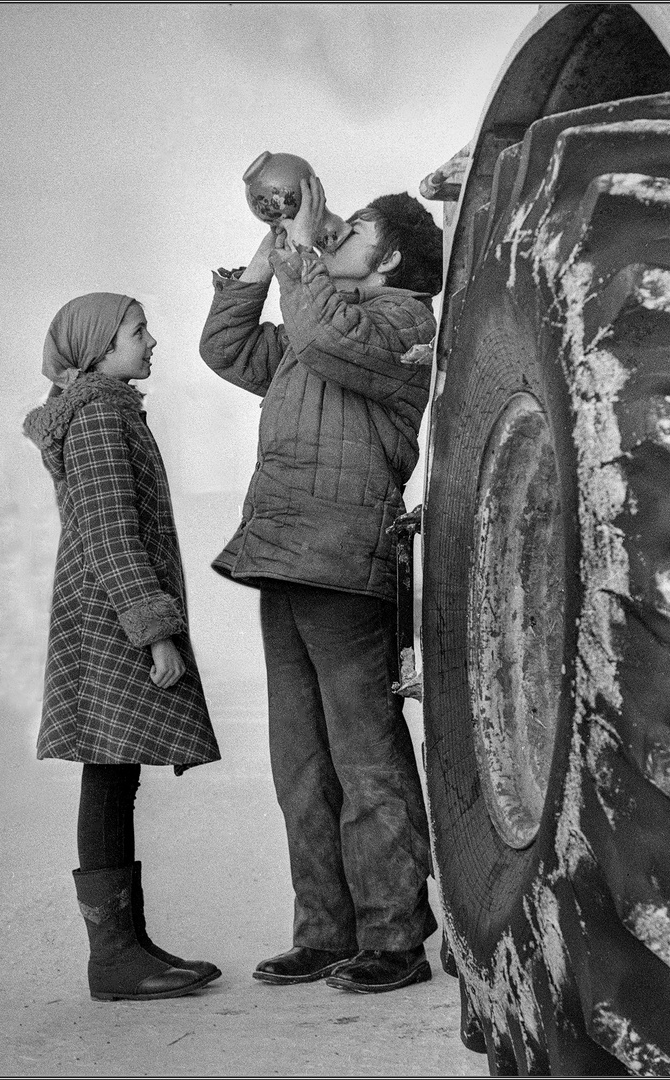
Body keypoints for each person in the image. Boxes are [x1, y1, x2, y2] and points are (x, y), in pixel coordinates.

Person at [198, 178, 443, 993]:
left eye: (356, 228)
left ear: (395, 256)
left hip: (344, 561)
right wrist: (270, 258)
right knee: (300, 761)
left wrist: (302, 247)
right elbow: (226, 350)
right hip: (282, 554)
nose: (338, 233)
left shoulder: (404, 322)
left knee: (364, 757)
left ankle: (396, 937)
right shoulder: (316, 323)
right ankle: (325, 932)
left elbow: (327, 336)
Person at [24, 293, 221, 1002]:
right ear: (102, 346)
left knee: (116, 771)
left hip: (101, 613)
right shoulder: (102, 410)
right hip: (112, 621)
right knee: (110, 773)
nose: (152, 341)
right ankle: (113, 959)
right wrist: (156, 633)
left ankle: (125, 947)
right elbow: (111, 532)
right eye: (139, 331)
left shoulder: (96, 405)